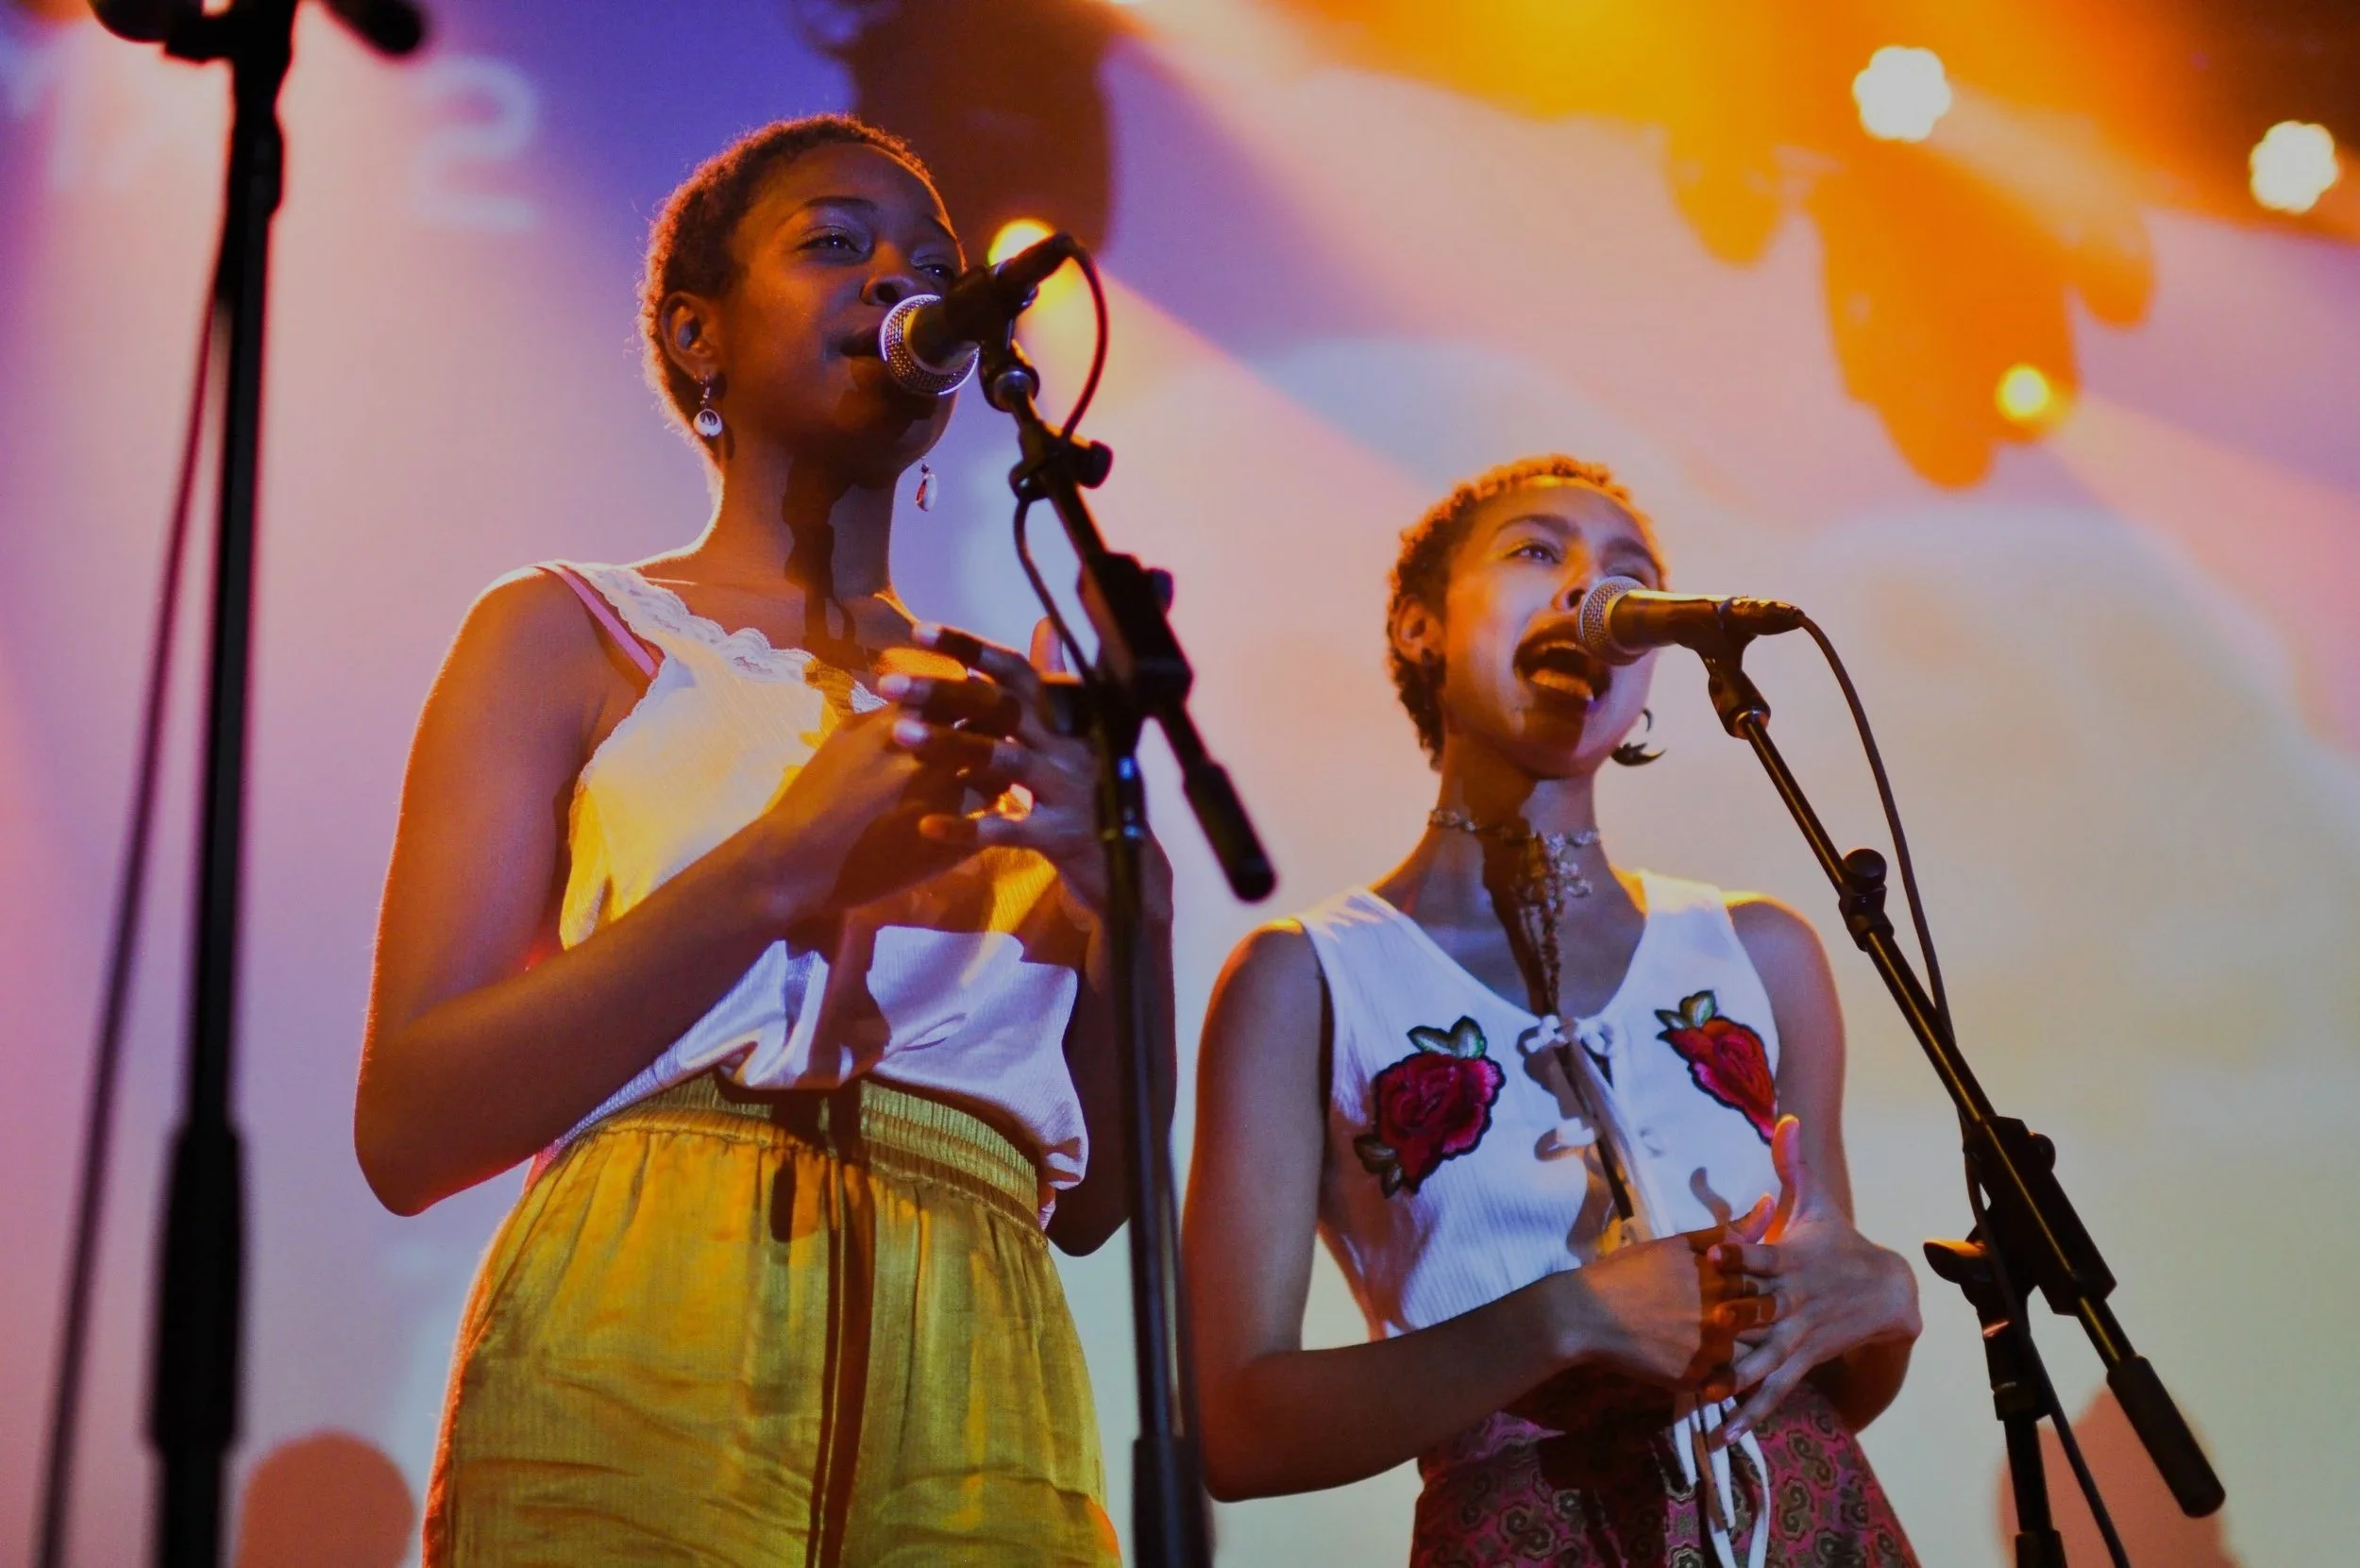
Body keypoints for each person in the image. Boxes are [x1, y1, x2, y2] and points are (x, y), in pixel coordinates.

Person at [355, 115, 1149, 1566]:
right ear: (695, 333)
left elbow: (1098, 1206)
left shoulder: (1015, 707)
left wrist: (1122, 902)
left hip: (988, 1357)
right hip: (648, 1316)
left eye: (932, 264)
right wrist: (783, 863)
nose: (895, 281)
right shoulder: (571, 632)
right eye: (835, 244)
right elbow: (411, 1124)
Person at [1183, 455, 1922, 1566]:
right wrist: (1558, 1317)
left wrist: (1884, 1301)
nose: (1589, 592)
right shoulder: (1307, 978)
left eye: (1628, 575)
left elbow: (1827, 1370)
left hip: (1811, 1516)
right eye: (1537, 551)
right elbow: (1235, 1431)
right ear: (1419, 624)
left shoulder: (1759, 950)